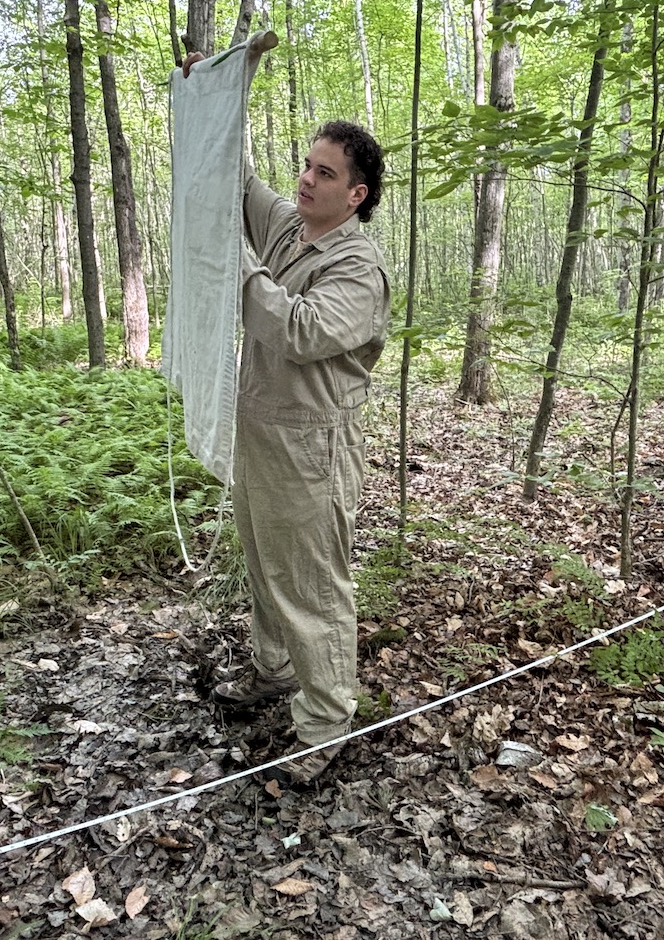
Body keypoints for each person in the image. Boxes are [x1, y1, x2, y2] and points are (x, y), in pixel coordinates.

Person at [182, 50, 391, 785]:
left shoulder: (357, 267)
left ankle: (327, 720)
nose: (305, 179)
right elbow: (236, 180)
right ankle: (273, 672)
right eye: (306, 166)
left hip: (314, 444)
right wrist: (210, 93)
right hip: (261, 432)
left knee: (311, 581)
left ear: (357, 194)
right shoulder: (287, 228)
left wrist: (238, 271)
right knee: (265, 562)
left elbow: (300, 331)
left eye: (325, 173)